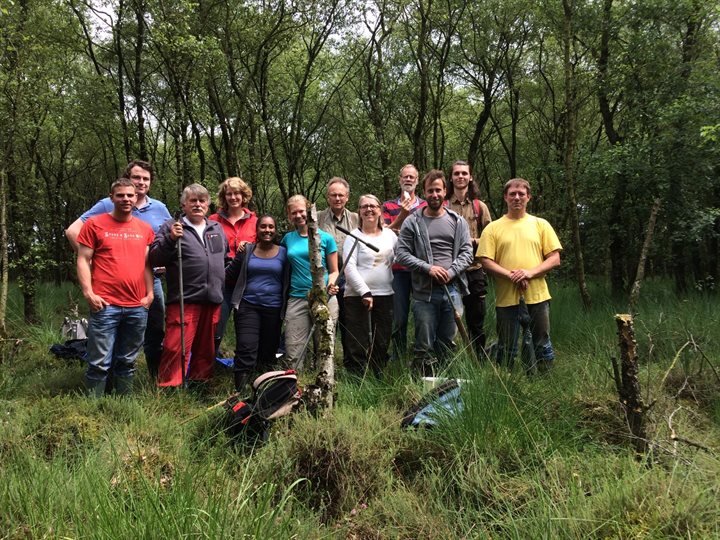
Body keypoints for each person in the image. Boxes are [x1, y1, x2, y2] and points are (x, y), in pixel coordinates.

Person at [66, 160, 171, 380]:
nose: (141, 182)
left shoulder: (160, 208)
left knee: (154, 330)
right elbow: (73, 231)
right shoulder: (107, 204)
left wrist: (164, 259)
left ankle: (155, 377)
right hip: (112, 286)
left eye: (145, 179)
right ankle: (107, 378)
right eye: (136, 178)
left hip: (151, 281)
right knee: (110, 330)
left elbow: (167, 241)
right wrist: (98, 262)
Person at [76, 178, 155, 397]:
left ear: (136, 197)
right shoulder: (95, 224)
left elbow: (147, 264)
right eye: (120, 195)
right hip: (105, 304)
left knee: (127, 360)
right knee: (99, 362)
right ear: (111, 198)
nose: (126, 199)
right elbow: (83, 259)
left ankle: (123, 404)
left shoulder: (145, 229)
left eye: (130, 195)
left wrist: (149, 295)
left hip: (137, 306)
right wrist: (88, 292)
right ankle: (93, 406)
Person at [478, 178, 562, 372]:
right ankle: (509, 381)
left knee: (541, 341)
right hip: (507, 298)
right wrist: (511, 276)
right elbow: (485, 260)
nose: (517, 198)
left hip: (538, 296)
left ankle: (543, 380)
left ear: (528, 197)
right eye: (512, 194)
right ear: (505, 198)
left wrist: (529, 273)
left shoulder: (541, 224)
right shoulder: (493, 228)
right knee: (507, 345)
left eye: (521, 194)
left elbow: (554, 258)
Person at [395, 169, 473, 374]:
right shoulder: (412, 222)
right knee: (423, 343)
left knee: (448, 341)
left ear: (445, 191)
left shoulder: (458, 222)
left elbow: (467, 252)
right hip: (424, 293)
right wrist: (428, 269)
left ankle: (445, 384)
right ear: (424, 193)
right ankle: (420, 385)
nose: (434, 195)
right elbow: (401, 253)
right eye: (430, 191)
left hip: (453, 290)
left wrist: (451, 272)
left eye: (438, 190)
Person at [150, 184, 227, 388]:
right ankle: (170, 387)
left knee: (206, 347)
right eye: (193, 200)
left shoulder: (216, 228)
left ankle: (199, 384)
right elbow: (155, 257)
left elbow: (223, 259)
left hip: (213, 298)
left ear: (208, 205)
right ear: (184, 204)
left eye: (202, 201)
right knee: (176, 346)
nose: (198, 204)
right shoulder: (171, 227)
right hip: (185, 298)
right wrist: (171, 239)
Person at [225, 216, 289, 392]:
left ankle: (263, 390)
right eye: (263, 226)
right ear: (257, 229)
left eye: (271, 227)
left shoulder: (284, 252)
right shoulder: (247, 250)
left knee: (268, 351)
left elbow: (291, 278)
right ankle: (241, 392)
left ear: (275, 230)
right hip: (248, 306)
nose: (267, 230)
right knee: (246, 346)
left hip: (274, 308)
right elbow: (228, 274)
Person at [281, 195, 339, 371]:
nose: (298, 215)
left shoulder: (326, 238)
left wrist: (332, 284)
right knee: (293, 349)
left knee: (323, 347)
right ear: (289, 216)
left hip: (324, 297)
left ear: (309, 211)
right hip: (297, 297)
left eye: (301, 211)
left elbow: (335, 270)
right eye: (294, 213)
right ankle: (294, 385)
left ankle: (323, 385)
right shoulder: (287, 239)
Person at [342, 194, 397, 376]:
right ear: (359, 212)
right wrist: (364, 291)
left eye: (373, 206)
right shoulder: (353, 236)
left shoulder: (390, 236)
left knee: (381, 339)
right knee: (357, 340)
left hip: (385, 294)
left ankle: (377, 376)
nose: (369, 209)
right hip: (357, 296)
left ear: (380, 210)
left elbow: (398, 258)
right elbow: (349, 268)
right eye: (364, 206)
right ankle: (356, 379)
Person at [446, 160, 492, 357]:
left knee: (476, 320)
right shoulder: (443, 204)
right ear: (451, 178)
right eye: (456, 173)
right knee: (448, 320)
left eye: (464, 173)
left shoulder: (479, 207)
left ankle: (478, 360)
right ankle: (446, 359)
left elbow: (491, 238)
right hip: (449, 271)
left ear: (470, 177)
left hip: (474, 269)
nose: (460, 177)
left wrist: (470, 241)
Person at [208, 177, 258, 358]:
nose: (233, 197)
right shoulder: (213, 220)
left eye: (237, 193)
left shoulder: (255, 221)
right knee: (216, 326)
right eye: (229, 193)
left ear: (244, 196)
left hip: (247, 281)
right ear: (224, 197)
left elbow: (263, 249)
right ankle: (209, 363)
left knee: (246, 327)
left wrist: (250, 247)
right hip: (220, 279)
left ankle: (244, 364)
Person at [382, 164, 427, 358]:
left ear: (417, 181)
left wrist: (401, 232)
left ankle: (420, 353)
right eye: (405, 177)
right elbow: (384, 232)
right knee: (399, 316)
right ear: (399, 180)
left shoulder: (425, 205)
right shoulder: (388, 206)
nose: (408, 180)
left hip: (420, 267)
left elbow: (427, 233)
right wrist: (402, 215)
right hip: (397, 268)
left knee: (421, 314)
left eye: (412, 177)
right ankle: (398, 356)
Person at [317, 177, 359, 355]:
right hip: (327, 276)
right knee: (327, 322)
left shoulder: (357, 219)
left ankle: (351, 362)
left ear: (347, 197)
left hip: (351, 276)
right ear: (328, 197)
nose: (337, 199)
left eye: (341, 195)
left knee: (350, 321)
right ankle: (324, 361)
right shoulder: (317, 218)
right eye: (333, 195)